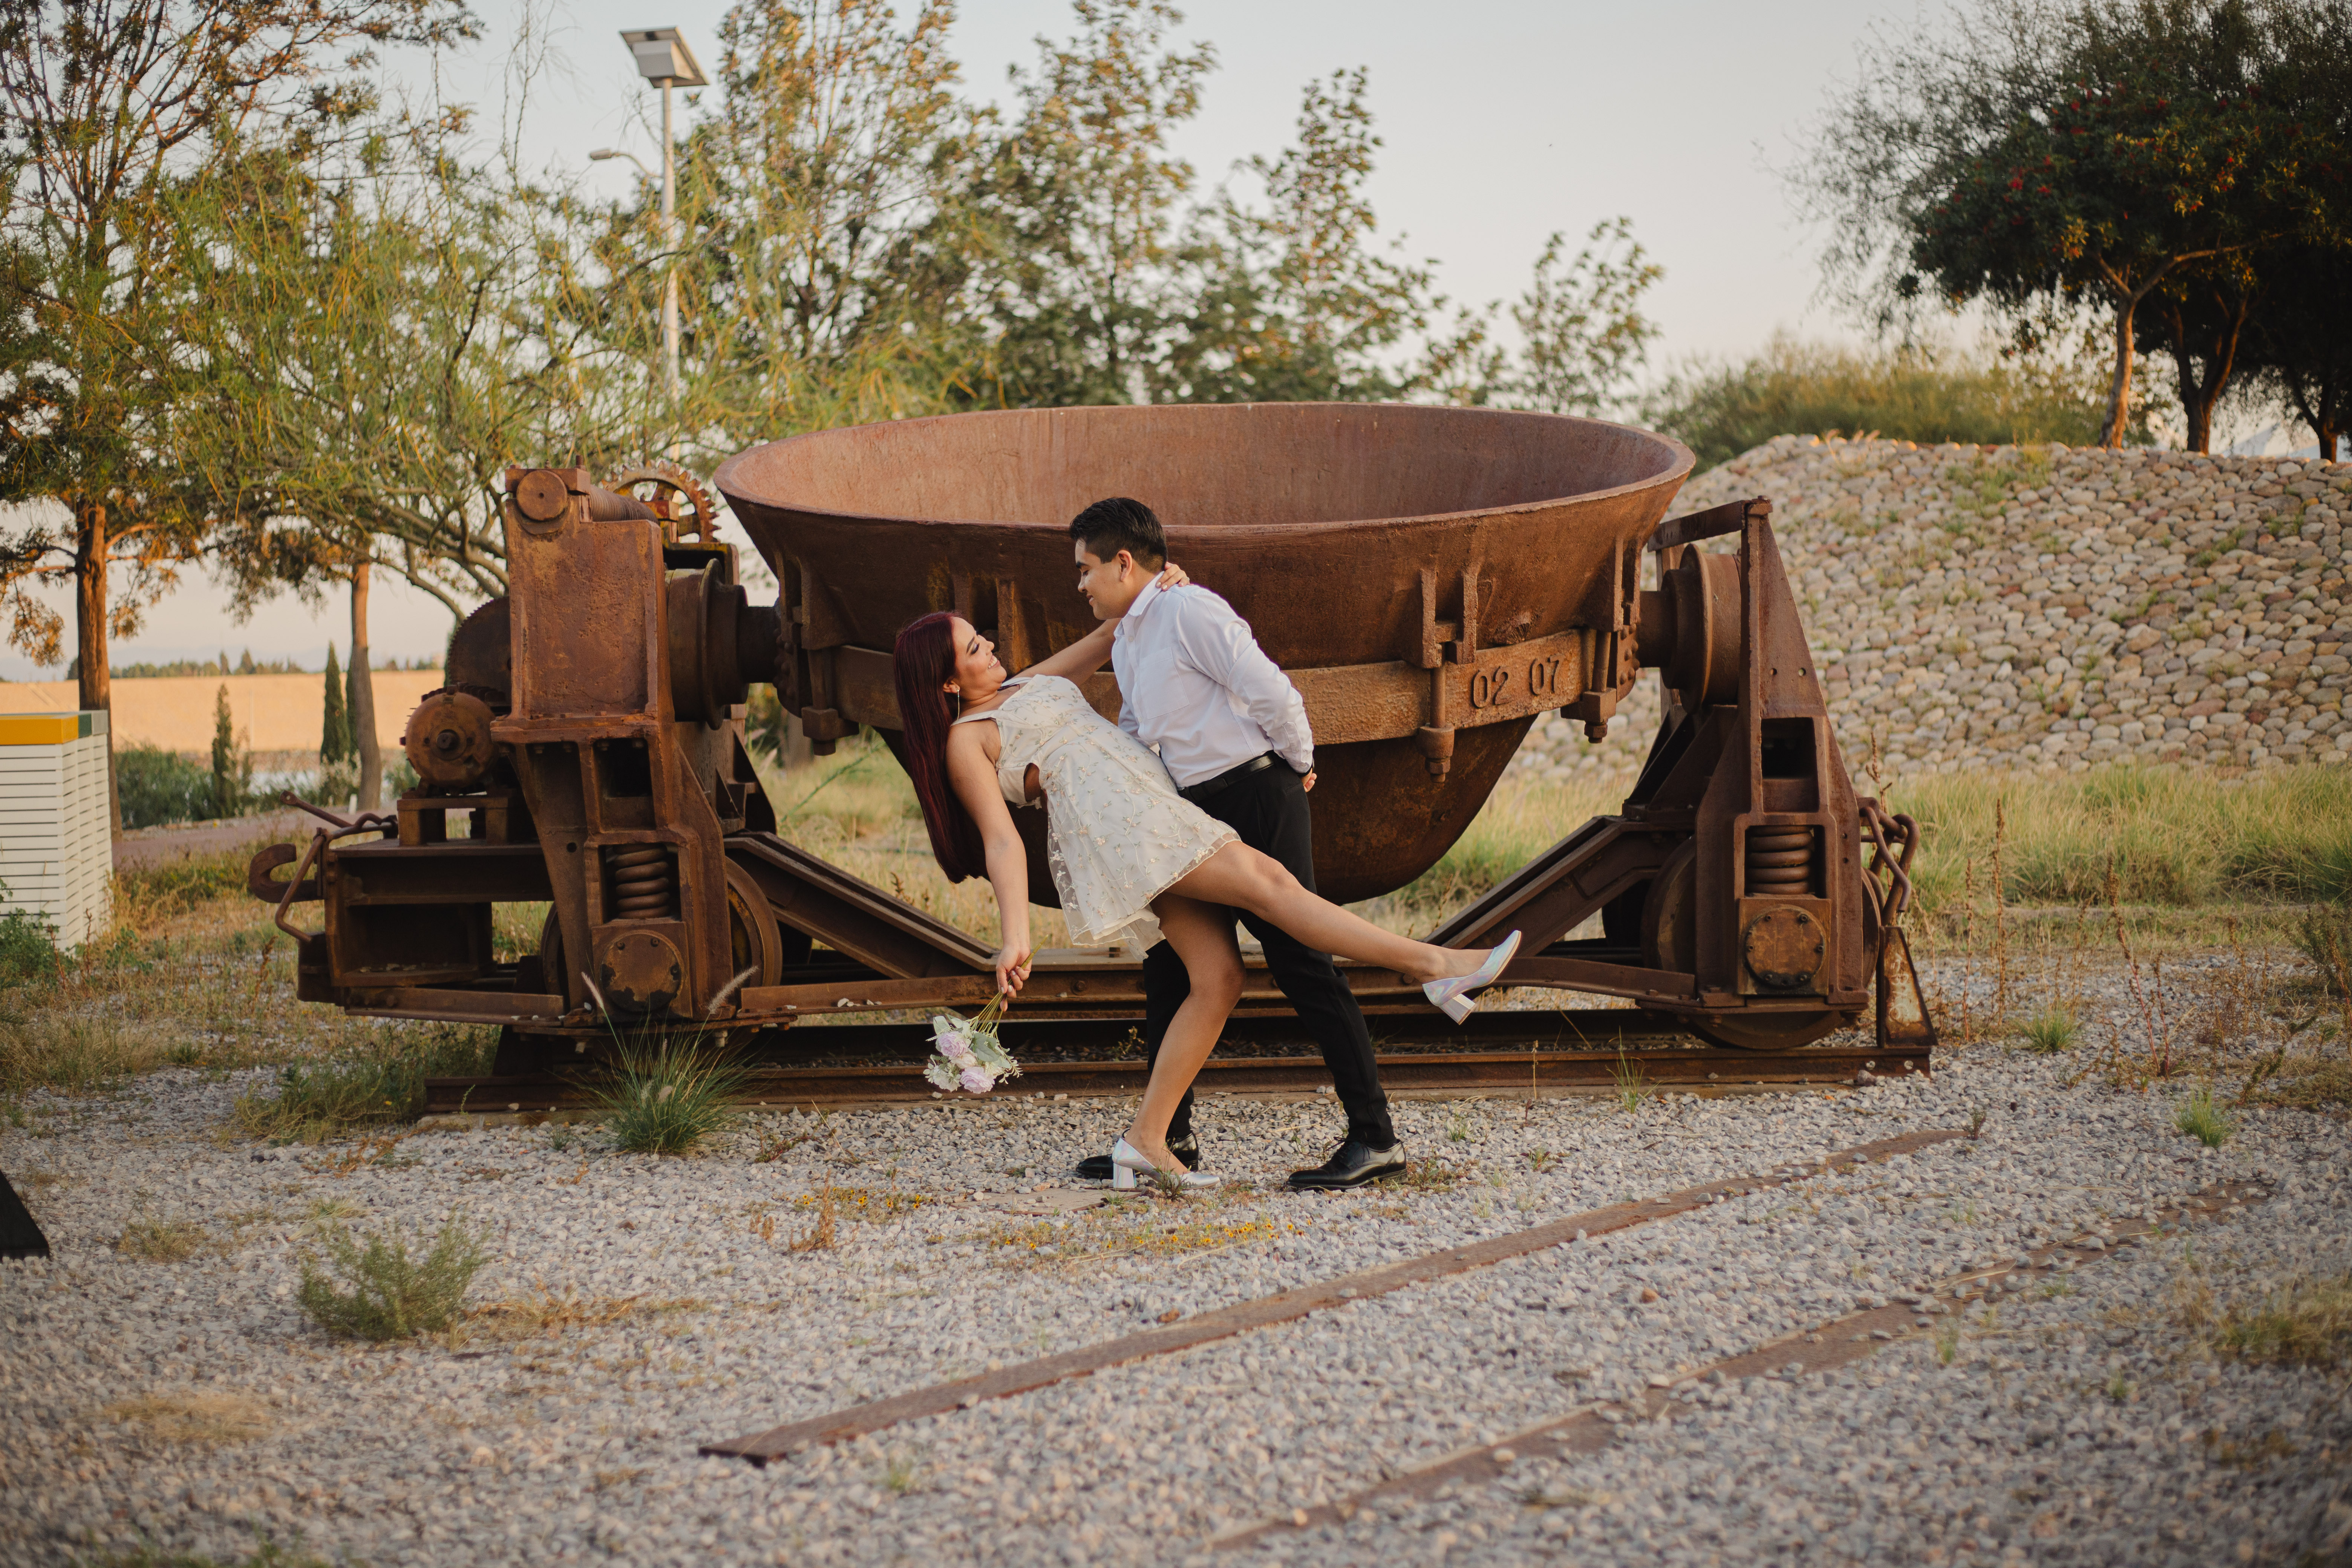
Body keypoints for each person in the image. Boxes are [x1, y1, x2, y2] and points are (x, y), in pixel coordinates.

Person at [892, 573, 1519, 1193]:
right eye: (975, 649)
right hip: (1126, 826)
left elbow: (1117, 625)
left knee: (1218, 978)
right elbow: (1001, 840)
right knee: (1272, 886)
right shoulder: (965, 741)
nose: (992, 649)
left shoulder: (1031, 682)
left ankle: (1148, 1139)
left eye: (983, 639)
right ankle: (1436, 966)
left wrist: (1159, 581)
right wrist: (1015, 937)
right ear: (948, 683)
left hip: (1149, 807)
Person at [1060, 498, 1410, 1190]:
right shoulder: (1130, 635)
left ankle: (1376, 1139)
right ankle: (1168, 1139)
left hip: (1253, 793)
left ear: (1124, 562)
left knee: (1302, 962)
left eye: (1087, 569)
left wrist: (1297, 764)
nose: (1082, 586)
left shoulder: (1193, 611)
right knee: (1172, 969)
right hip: (1189, 815)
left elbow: (1272, 691)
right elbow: (1140, 731)